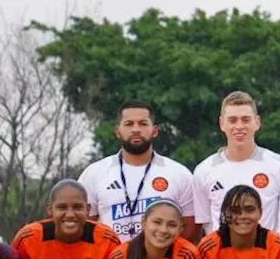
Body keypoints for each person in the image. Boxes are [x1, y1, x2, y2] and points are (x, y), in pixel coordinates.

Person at [79, 99, 198, 242]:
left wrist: (166, 257)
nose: (136, 129)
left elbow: (191, 226)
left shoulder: (179, 174)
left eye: (143, 123)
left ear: (154, 131)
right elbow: (84, 224)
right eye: (129, 124)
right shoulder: (94, 173)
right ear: (118, 131)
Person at [193, 90, 280, 232]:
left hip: (267, 253)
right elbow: (205, 224)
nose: (239, 126)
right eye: (233, 120)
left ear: (257, 122)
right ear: (222, 124)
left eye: (246, 120)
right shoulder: (204, 171)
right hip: (222, 253)